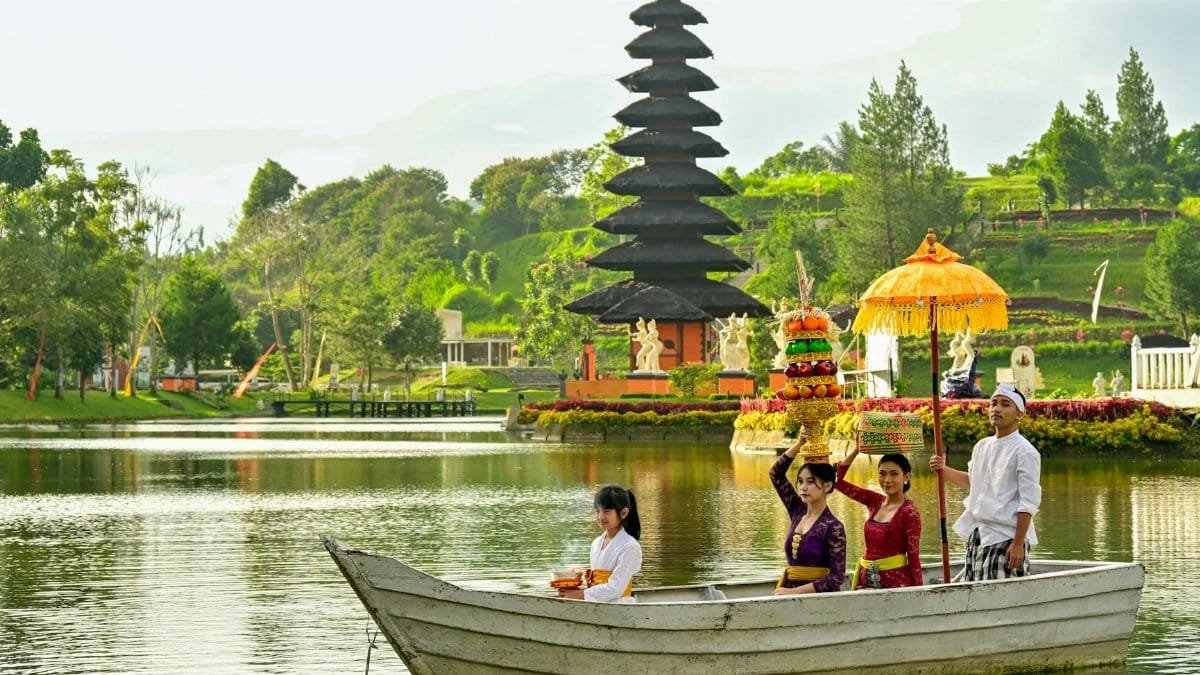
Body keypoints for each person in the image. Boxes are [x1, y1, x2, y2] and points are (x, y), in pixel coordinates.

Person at [929, 383, 1042, 581]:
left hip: (1006, 537)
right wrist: (943, 470)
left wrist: (1018, 544)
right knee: (975, 595)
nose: (997, 409)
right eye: (993, 404)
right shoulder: (982, 446)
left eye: (1005, 404)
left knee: (1003, 599)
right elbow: (974, 483)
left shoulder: (1025, 451)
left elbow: (1028, 503)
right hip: (978, 533)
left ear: (1019, 414)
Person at [836, 447, 923, 589]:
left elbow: (913, 557)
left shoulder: (909, 513)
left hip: (895, 584)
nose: (887, 480)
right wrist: (857, 450)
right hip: (864, 580)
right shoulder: (875, 501)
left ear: (906, 477)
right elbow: (837, 482)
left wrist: (919, 592)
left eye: (894, 474)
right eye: (882, 474)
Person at [769, 438, 846, 594]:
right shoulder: (797, 510)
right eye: (800, 481)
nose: (803, 487)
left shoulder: (833, 526)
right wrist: (800, 443)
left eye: (810, 482)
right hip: (787, 591)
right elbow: (776, 474)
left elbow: (836, 578)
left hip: (819, 600)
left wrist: (794, 592)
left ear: (828, 485)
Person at [557, 484, 642, 603]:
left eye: (606, 511)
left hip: (619, 605)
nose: (600, 517)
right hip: (597, 603)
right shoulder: (596, 543)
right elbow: (598, 577)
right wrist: (577, 578)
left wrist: (581, 594)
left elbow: (615, 589)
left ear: (623, 513)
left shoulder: (630, 547)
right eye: (597, 511)